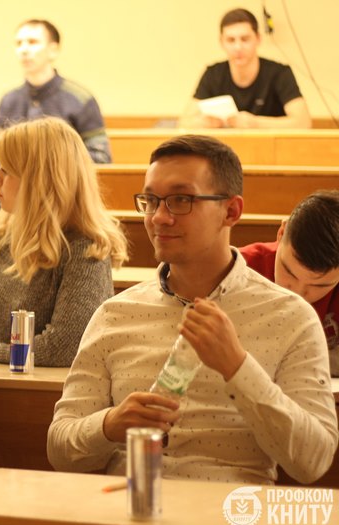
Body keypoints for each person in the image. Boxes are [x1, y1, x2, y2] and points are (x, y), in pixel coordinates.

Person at [47, 135, 337, 484]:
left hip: (230, 507)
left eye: (181, 200)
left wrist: (237, 367)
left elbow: (313, 461)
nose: (159, 217)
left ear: (231, 211)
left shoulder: (291, 317)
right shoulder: (115, 314)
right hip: (131, 504)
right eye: (151, 201)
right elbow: (59, 450)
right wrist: (108, 425)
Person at [0, 117, 127, 367]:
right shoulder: (3, 233)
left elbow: (65, 347)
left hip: (38, 389)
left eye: (7, 170)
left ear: (39, 180)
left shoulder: (85, 249)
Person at [240, 190, 339, 376]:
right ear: (281, 232)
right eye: (289, 272)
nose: (298, 292)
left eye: (319, 286)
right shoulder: (238, 269)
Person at [0, 20, 112, 164]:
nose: (24, 50)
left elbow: (101, 157)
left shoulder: (81, 98)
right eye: (19, 43)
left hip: (65, 178)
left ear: (53, 50)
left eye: (32, 42)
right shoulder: (8, 100)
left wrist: (53, 161)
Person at [179, 8, 310, 129]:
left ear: (258, 39)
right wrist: (206, 123)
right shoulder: (213, 74)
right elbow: (184, 122)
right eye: (231, 40)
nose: (238, 47)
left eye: (245, 39)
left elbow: (303, 123)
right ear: (222, 42)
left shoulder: (279, 73)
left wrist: (256, 123)